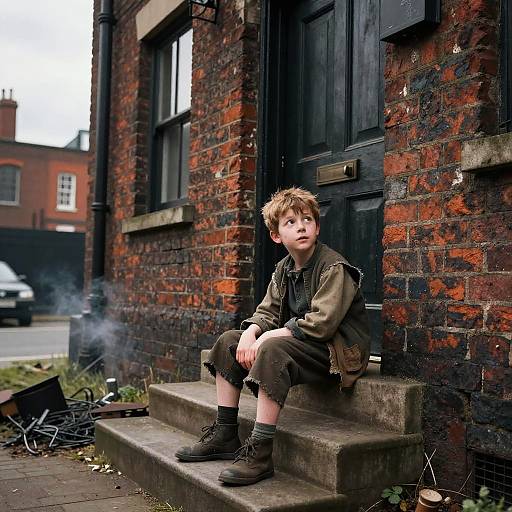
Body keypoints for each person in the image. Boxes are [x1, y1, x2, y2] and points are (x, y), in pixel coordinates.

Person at [175, 187, 370, 485]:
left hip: (337, 354)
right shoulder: (283, 269)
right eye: (290, 222)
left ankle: (261, 453)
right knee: (230, 340)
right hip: (306, 347)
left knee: (272, 348)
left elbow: (322, 324)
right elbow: (267, 311)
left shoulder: (334, 267)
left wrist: (268, 337)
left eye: (307, 219)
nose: (301, 226)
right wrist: (251, 332)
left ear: (317, 227)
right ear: (277, 236)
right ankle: (226, 433)